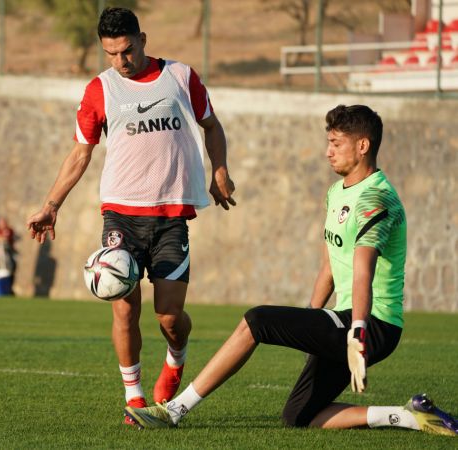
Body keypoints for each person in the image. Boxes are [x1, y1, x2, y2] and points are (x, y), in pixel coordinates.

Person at [124, 105, 458, 436]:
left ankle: (175, 410)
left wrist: (357, 334)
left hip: (374, 324)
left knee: (258, 320)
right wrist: (311, 320)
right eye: (328, 142)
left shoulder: (376, 198)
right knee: (299, 415)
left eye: (336, 143)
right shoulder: (336, 193)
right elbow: (330, 264)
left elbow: (362, 272)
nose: (328, 152)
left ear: (363, 146)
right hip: (349, 318)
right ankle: (409, 416)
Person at [27, 7, 236, 424]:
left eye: (126, 50)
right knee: (123, 307)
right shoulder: (100, 90)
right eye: (111, 54)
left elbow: (212, 127)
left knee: (170, 317)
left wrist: (220, 171)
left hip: (171, 215)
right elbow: (80, 153)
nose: (121, 61)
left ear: (142, 38)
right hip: (120, 213)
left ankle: (176, 359)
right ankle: (134, 396)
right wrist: (51, 204)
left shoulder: (181, 77)